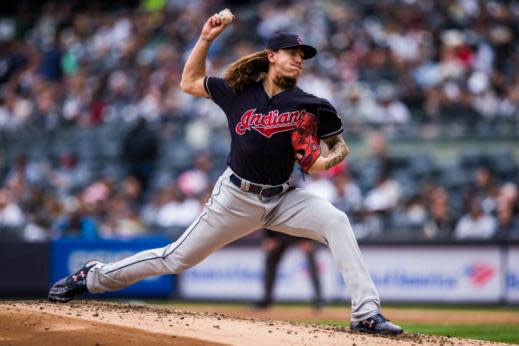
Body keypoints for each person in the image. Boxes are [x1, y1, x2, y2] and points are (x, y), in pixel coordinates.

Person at [48, 13, 402, 335]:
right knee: (174, 259)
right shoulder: (238, 92)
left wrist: (328, 159)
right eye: (290, 51)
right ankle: (92, 276)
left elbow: (335, 145)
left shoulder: (311, 105)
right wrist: (205, 39)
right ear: (271, 56)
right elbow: (189, 82)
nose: (298, 58)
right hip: (235, 197)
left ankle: (365, 313)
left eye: (302, 54)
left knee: (336, 221)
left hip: (283, 197)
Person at [253, 230, 323, 310]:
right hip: (281, 231)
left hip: (301, 231)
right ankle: (266, 299)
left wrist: (309, 239)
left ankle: (318, 299)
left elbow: (309, 217)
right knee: (270, 261)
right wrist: (270, 237)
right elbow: (266, 217)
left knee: (312, 263)